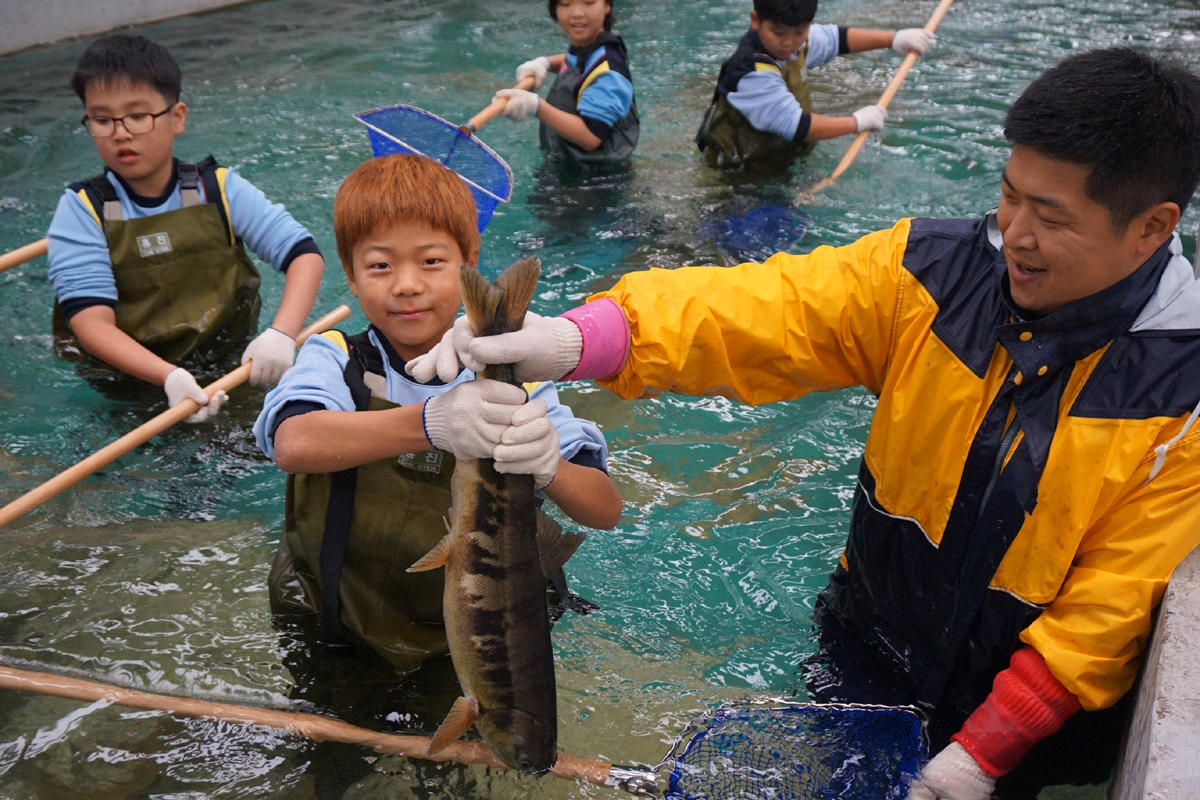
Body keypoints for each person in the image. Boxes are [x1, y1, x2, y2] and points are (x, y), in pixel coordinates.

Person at [408, 48, 1200, 799]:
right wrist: (579, 339)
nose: (1016, 235)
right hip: (866, 649)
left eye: (1051, 218)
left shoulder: (1184, 391)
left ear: (1153, 227)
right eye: (1009, 194)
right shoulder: (930, 272)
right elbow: (763, 311)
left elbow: (1112, 607)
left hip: (1028, 726)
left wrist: (982, 754)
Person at [254, 154, 621, 673]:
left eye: (430, 262)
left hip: (479, 643)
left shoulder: (516, 378)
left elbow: (603, 510)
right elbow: (293, 444)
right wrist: (432, 423)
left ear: (469, 262)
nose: (406, 285)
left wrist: (550, 466)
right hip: (334, 625)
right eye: (380, 265)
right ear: (351, 278)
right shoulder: (335, 356)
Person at [47, 35, 325, 421]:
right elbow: (91, 323)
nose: (120, 133)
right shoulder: (81, 210)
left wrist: (280, 334)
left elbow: (303, 254)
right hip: (131, 384)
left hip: (230, 363)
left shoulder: (219, 188)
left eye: (138, 116)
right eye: (102, 119)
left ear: (176, 117)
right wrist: (169, 377)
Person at [696, 0, 934, 171]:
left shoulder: (794, 40)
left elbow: (835, 40)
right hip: (738, 176)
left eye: (800, 31)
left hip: (780, 161)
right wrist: (856, 122)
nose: (789, 42)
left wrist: (893, 39)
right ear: (756, 20)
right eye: (778, 32)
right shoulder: (752, 72)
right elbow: (797, 126)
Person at [492, 0, 639, 170]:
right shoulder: (588, 43)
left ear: (607, 5)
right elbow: (577, 61)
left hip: (592, 180)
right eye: (565, 3)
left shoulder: (609, 72)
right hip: (566, 162)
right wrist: (545, 63)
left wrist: (535, 106)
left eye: (588, 2)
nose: (576, 13)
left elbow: (590, 138)